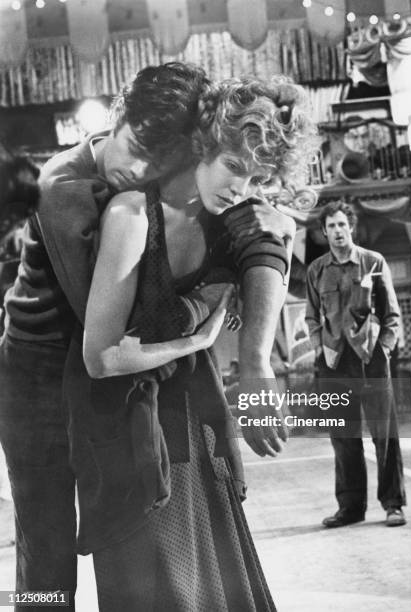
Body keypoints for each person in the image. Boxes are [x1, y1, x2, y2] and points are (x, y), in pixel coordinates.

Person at [0, 63, 299, 610]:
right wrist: (206, 305)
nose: (138, 168)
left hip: (103, 370)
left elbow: (271, 224)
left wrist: (254, 352)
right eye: (135, 146)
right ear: (116, 117)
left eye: (158, 158)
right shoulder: (63, 187)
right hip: (35, 378)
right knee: (46, 549)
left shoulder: (168, 177)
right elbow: (130, 322)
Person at [305, 201, 407, 528]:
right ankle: (351, 508)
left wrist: (385, 351)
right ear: (324, 232)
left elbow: (392, 315)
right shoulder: (316, 271)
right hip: (335, 363)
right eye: (331, 226)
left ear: (351, 227)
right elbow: (311, 316)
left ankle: (393, 504)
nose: (337, 231)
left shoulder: (373, 262)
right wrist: (320, 351)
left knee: (384, 435)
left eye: (342, 225)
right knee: (343, 438)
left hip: (372, 360)